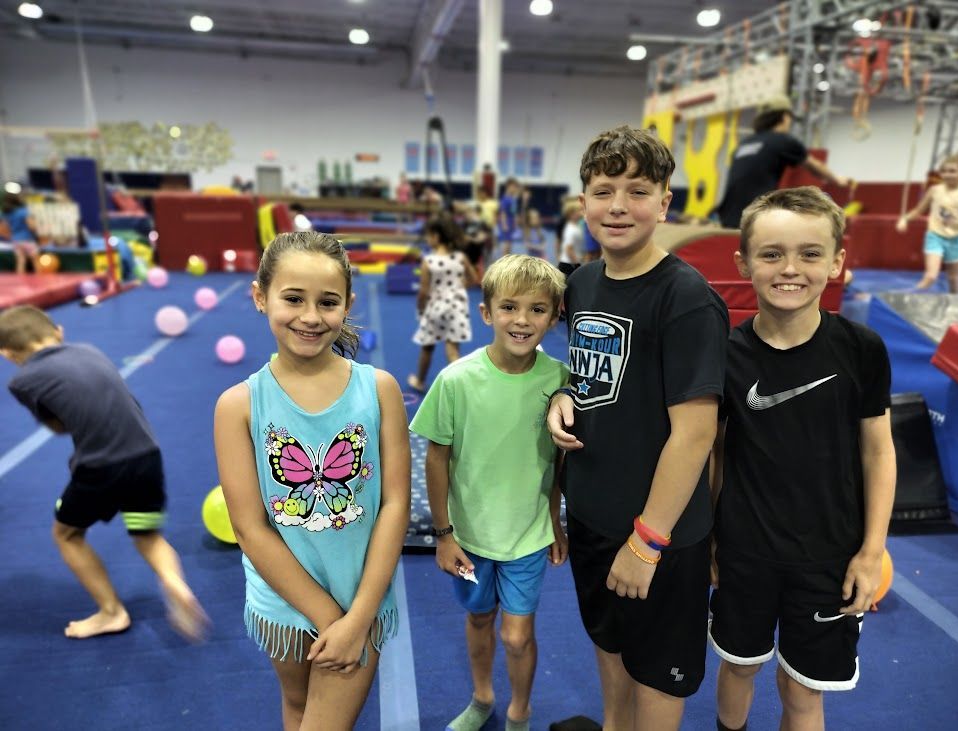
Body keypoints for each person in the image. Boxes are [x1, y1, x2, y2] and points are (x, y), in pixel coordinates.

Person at [547, 125, 729, 730]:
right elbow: (590, 376)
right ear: (583, 204)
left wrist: (647, 542)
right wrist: (560, 394)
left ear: (664, 203)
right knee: (610, 646)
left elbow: (696, 434)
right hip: (595, 516)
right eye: (603, 191)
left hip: (658, 534)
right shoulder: (580, 284)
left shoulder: (686, 299)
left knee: (657, 669)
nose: (618, 206)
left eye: (637, 190)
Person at [709, 186, 896, 731]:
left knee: (802, 688)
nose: (790, 268)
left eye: (810, 253)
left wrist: (871, 550)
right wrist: (714, 537)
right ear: (743, 262)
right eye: (771, 254)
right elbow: (716, 453)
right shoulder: (726, 354)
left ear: (837, 262)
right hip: (746, 551)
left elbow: (878, 450)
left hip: (828, 558)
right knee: (739, 665)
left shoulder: (862, 348)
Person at [213, 231, 410, 731]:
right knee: (298, 707)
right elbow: (251, 526)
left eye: (327, 302)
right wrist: (327, 617)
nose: (310, 316)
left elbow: (394, 503)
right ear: (260, 297)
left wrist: (356, 617)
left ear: (347, 304)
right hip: (284, 598)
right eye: (292, 298)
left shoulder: (378, 389)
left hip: (359, 597)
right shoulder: (238, 404)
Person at [410, 254, 570, 731]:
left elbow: (560, 458)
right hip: (471, 536)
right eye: (509, 307)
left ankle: (520, 709)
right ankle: (482, 697)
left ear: (554, 315)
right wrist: (443, 533)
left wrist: (556, 518)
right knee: (479, 619)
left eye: (537, 309)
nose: (522, 320)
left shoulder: (559, 380)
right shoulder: (456, 379)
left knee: (518, 635)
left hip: (527, 533)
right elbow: (436, 457)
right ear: (486, 313)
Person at [0, 305, 208, 641]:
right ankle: (174, 582)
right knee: (147, 535)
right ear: (60, 332)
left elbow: (58, 426)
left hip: (102, 467)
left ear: (8, 354)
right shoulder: (89, 349)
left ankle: (111, 612)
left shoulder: (22, 381)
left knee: (67, 534)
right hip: (147, 456)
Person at [715, 94, 851, 229]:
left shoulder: (742, 145)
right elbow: (815, 166)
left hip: (727, 217)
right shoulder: (783, 140)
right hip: (756, 217)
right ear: (785, 117)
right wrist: (837, 179)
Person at [408, 215, 479, 392]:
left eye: (428, 235)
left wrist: (420, 307)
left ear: (436, 237)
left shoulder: (429, 261)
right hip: (457, 307)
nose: (427, 239)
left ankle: (419, 380)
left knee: (427, 346)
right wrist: (459, 287)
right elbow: (474, 278)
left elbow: (423, 291)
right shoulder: (460, 257)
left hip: (436, 308)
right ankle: (458, 386)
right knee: (452, 348)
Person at [896, 153, 958, 293]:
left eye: (952, 171)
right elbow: (919, 210)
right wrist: (905, 219)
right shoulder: (935, 190)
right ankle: (910, 296)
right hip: (935, 235)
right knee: (931, 276)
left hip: (957, 238)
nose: (947, 175)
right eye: (944, 171)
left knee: (953, 277)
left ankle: (955, 303)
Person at [0, 192, 41, 274]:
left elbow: (5, 227)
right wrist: (37, 230)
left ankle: (20, 282)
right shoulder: (23, 211)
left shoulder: (6, 213)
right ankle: (40, 279)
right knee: (35, 260)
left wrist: (10, 235)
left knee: (20, 261)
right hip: (27, 239)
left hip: (15, 240)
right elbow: (31, 226)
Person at [498, 178, 521, 257]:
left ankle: (508, 261)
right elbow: (503, 212)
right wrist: (504, 225)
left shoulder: (512, 198)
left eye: (516, 187)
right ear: (508, 186)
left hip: (511, 223)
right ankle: (503, 263)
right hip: (506, 222)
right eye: (514, 187)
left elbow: (514, 212)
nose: (515, 189)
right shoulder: (505, 198)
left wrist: (516, 224)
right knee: (506, 245)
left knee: (510, 245)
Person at [559, 201, 584, 266]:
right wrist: (577, 263)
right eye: (578, 210)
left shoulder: (576, 226)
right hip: (569, 263)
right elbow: (568, 248)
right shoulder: (570, 229)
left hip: (572, 262)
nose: (581, 212)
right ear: (571, 214)